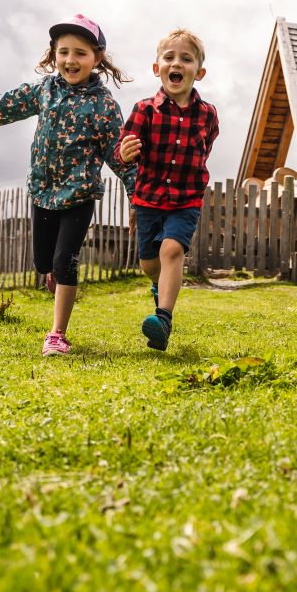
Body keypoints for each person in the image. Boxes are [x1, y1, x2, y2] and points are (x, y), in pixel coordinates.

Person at [0, 14, 136, 357]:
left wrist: (136, 195)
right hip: (43, 192)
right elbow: (0, 107)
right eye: (63, 51)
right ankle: (52, 275)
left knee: (66, 260)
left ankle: (57, 334)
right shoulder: (44, 90)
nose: (70, 60)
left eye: (80, 53)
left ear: (97, 58)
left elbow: (116, 154)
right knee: (43, 263)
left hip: (80, 195)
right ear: (53, 55)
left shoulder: (103, 105)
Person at [116, 28, 219, 352]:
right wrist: (124, 153)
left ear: (198, 72)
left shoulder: (208, 114)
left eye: (186, 59)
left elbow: (206, 147)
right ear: (156, 67)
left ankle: (163, 320)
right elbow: (124, 149)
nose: (177, 63)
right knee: (149, 263)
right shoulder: (144, 110)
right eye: (170, 57)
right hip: (148, 197)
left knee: (172, 250)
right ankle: (158, 286)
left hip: (186, 198)